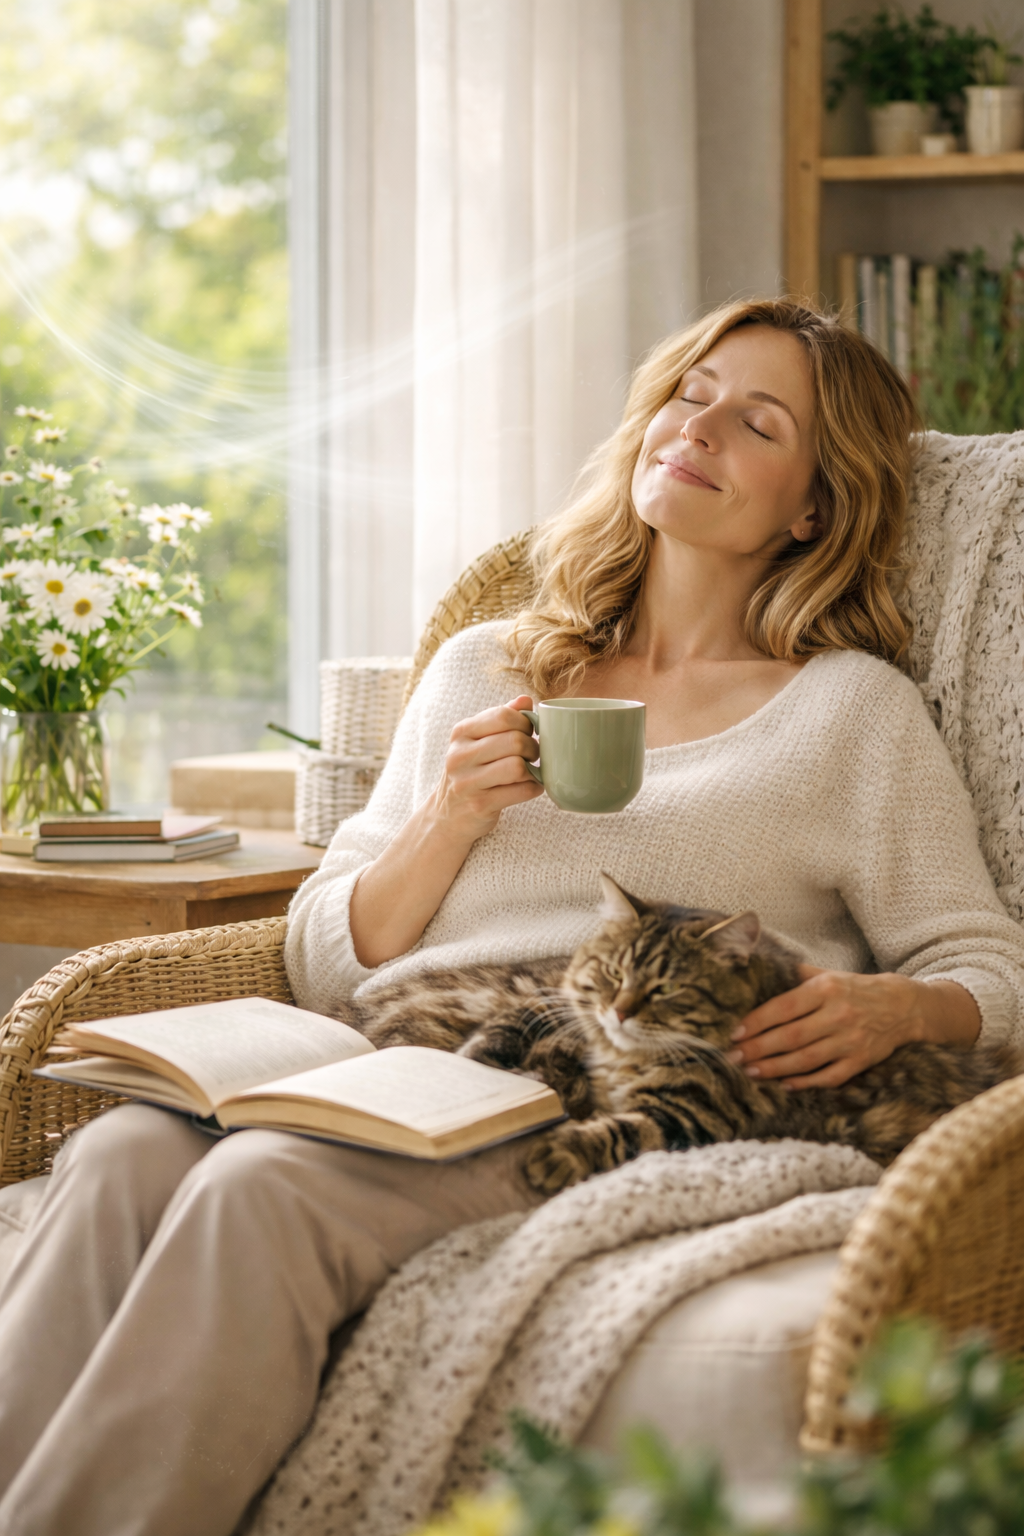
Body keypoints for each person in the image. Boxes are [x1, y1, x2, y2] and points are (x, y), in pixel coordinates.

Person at [2, 299, 1022, 1536]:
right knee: (115, 1157)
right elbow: (323, 955)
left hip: (597, 1076)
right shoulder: (489, 664)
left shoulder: (848, 712)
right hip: (393, 1053)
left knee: (259, 1191)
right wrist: (448, 818)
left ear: (811, 506)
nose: (697, 428)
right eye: (689, 392)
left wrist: (890, 1004)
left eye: (755, 423)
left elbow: (984, 962)